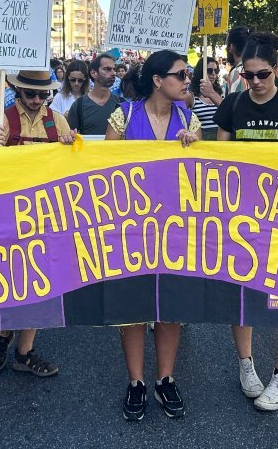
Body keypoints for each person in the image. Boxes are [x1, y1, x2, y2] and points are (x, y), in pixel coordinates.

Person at [213, 33, 278, 411]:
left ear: (277, 70)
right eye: (248, 75)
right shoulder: (231, 105)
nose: (255, 82)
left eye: (262, 75)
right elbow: (219, 161)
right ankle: (246, 364)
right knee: (242, 291)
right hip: (242, 216)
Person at [105, 50, 201, 421]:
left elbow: (203, 179)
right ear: (159, 80)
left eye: (188, 74)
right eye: (180, 74)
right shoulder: (124, 115)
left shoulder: (189, 120)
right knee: (132, 305)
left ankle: (165, 378)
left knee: (171, 306)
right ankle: (136, 382)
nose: (186, 80)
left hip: (175, 230)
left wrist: (193, 151)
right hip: (131, 230)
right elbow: (100, 170)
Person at [0, 70, 76, 379]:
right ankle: (2, 337)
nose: (37, 100)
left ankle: (24, 351)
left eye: (42, 95)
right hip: (9, 215)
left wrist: (70, 146)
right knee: (8, 280)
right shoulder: (2, 121)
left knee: (40, 282)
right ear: (19, 91)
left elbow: (73, 170)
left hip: (45, 217)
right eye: (30, 94)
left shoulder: (57, 121)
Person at [66, 54, 121, 136]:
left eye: (114, 69)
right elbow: (69, 136)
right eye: (107, 69)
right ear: (93, 73)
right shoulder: (79, 105)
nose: (113, 73)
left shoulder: (121, 104)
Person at [190, 56, 223, 140]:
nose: (213, 74)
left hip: (220, 142)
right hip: (201, 143)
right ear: (201, 72)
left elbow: (227, 112)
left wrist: (212, 93)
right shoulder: (191, 96)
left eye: (216, 70)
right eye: (209, 70)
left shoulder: (221, 94)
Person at [225, 25, 253, 95]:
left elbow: (234, 104)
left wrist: (212, 94)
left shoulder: (238, 72)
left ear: (231, 47)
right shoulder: (256, 68)